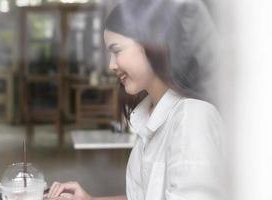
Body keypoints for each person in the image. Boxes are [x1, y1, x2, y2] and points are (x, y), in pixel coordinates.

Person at [45, 0, 224, 199]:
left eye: (117, 50)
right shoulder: (147, 116)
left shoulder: (192, 117)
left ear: (152, 42)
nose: (112, 65)